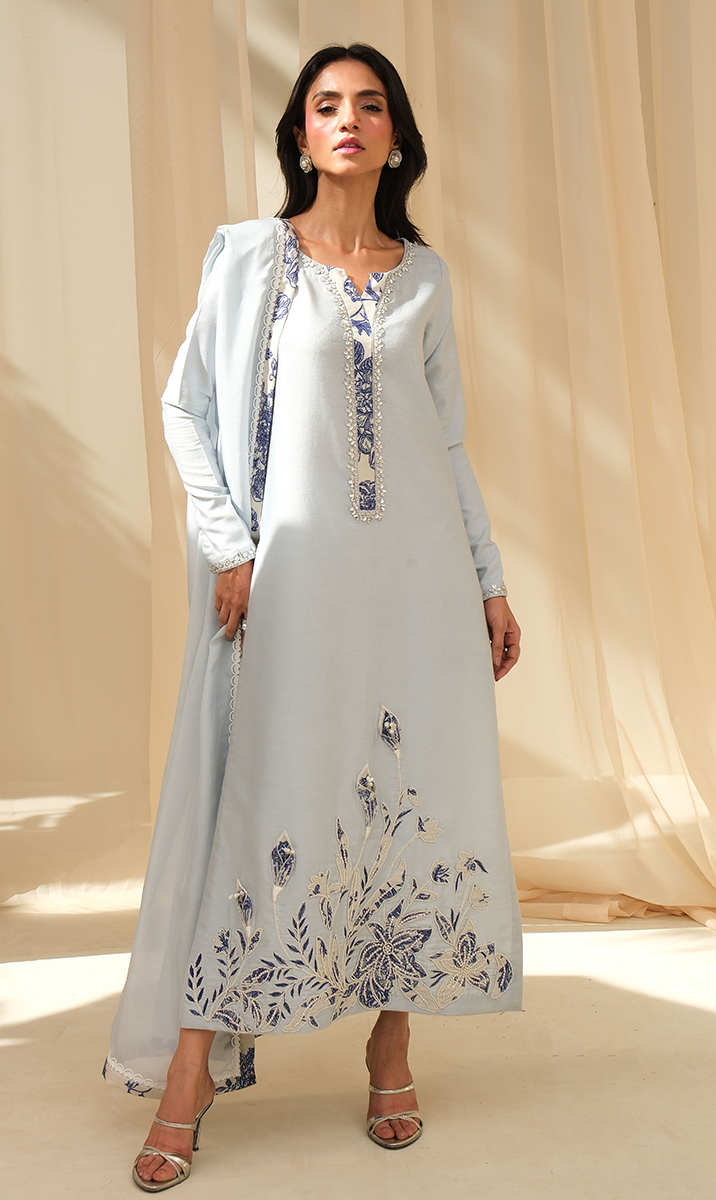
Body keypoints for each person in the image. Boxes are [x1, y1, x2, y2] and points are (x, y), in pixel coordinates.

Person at [105, 43, 523, 1191]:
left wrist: (486, 579)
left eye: (369, 105)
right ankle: (187, 1072)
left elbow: (445, 442)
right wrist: (229, 547)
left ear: (394, 137)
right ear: (299, 135)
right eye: (326, 104)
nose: (347, 119)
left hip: (417, 586)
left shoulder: (424, 278)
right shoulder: (250, 257)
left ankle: (390, 1044)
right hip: (293, 582)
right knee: (263, 795)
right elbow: (185, 406)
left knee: (408, 793)